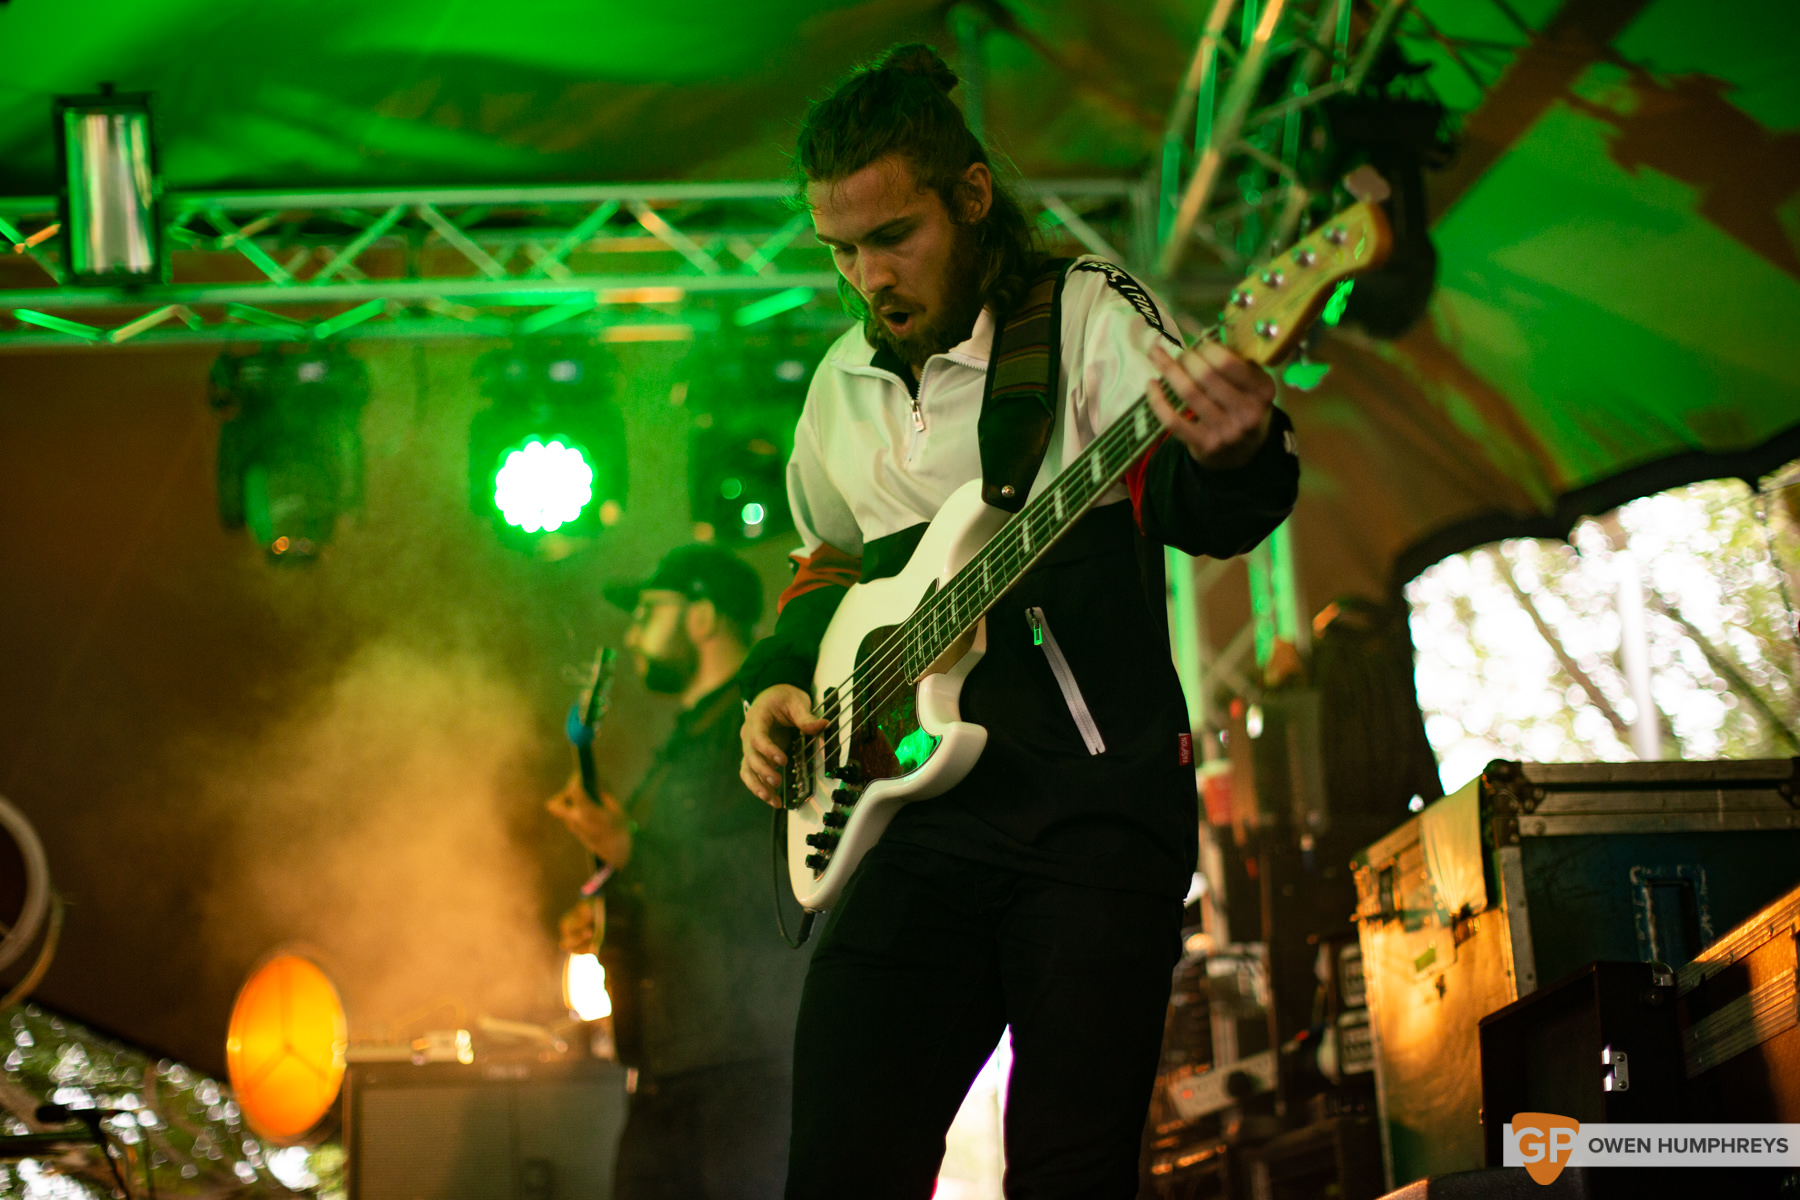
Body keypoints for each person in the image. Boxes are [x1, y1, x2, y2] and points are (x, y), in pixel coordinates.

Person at [734, 44, 1299, 1200]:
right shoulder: (837, 383)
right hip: (911, 828)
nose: (867, 277)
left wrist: (1237, 453)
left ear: (972, 198)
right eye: (841, 250)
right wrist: (781, 681)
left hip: (1090, 823)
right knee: (837, 1164)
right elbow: (823, 567)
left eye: (895, 237)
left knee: (1067, 1172)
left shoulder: (1085, 315)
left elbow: (1192, 500)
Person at [547, 543, 809, 1200]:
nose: (633, 634)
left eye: (647, 611)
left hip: (744, 1075)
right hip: (662, 1069)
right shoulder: (678, 746)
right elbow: (668, 882)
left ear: (702, 617)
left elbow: (769, 879)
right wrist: (606, 913)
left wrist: (631, 850)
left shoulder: (754, 733)